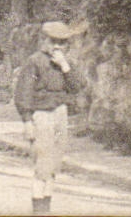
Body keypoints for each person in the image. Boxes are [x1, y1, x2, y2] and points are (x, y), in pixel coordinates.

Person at [14, 21, 85, 216]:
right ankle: (39, 210)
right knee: (42, 162)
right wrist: (27, 121)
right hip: (41, 114)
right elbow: (23, 93)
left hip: (60, 113)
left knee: (55, 161)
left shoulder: (66, 62)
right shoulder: (35, 61)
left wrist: (64, 66)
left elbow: (77, 86)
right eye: (53, 41)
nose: (57, 47)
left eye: (62, 43)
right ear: (44, 41)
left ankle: (47, 207)